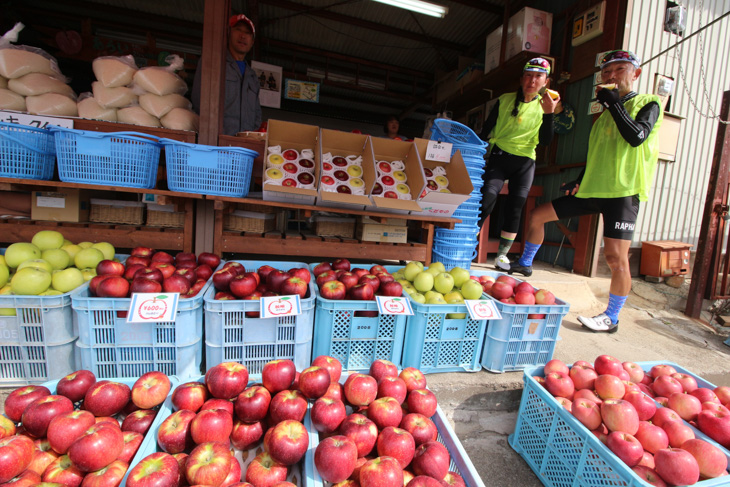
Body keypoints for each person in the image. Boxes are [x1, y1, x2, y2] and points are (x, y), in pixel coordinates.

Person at [508, 49, 663, 334]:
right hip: (593, 188)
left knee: (616, 257)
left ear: (636, 74)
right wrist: (579, 179)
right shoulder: (604, 114)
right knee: (538, 215)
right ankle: (525, 264)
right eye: (606, 72)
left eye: (619, 70)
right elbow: (599, 154)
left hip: (623, 190)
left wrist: (615, 105)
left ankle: (612, 317)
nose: (611, 76)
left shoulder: (648, 103)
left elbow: (636, 137)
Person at [478, 57, 558, 271]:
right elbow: (486, 129)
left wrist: (550, 113)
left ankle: (502, 256)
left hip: (524, 162)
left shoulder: (546, 106)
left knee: (516, 206)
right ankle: (469, 243)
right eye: (529, 75)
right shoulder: (504, 99)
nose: (532, 80)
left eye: (538, 76)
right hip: (499, 156)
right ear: (522, 78)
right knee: (487, 197)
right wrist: (476, 150)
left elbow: (546, 141)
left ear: (545, 82)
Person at [191, 13, 262, 136]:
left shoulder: (252, 76)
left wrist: (251, 137)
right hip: (217, 143)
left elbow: (257, 114)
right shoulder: (213, 63)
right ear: (228, 33)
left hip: (244, 146)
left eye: (248, 33)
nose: (243, 36)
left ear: (252, 42)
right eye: (238, 30)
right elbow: (199, 101)